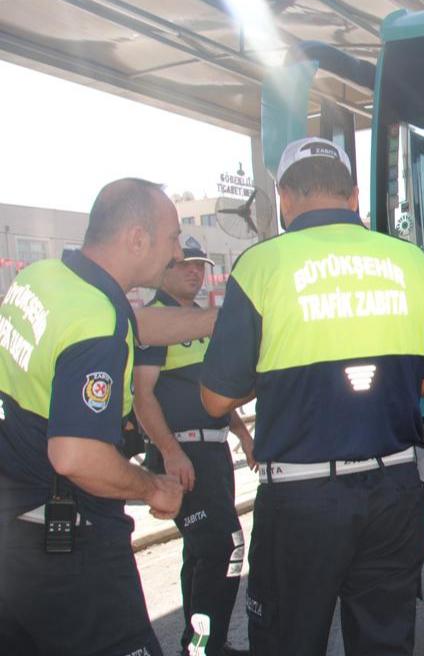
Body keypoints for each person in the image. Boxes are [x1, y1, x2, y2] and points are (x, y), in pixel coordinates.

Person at [200, 137, 424, 655]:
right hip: (394, 490)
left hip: (301, 499)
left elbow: (213, 400)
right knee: (384, 641)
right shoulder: (411, 264)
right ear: (355, 196)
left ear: (285, 197)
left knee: (288, 641)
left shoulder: (260, 267)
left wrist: (282, 376)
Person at [0, 178, 187, 654]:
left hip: (14, 535)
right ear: (137, 239)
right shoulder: (97, 322)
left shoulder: (40, 279)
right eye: (172, 238)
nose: (176, 253)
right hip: (67, 543)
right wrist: (152, 488)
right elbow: (75, 455)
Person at [135, 243, 254, 656]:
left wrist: (242, 434)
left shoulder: (205, 321)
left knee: (201, 552)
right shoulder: (155, 321)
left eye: (200, 266)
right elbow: (142, 396)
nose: (194, 273)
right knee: (226, 545)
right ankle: (204, 645)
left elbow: (214, 392)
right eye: (184, 265)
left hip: (214, 453)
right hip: (183, 455)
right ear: (164, 271)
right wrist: (170, 452)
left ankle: (201, 645)